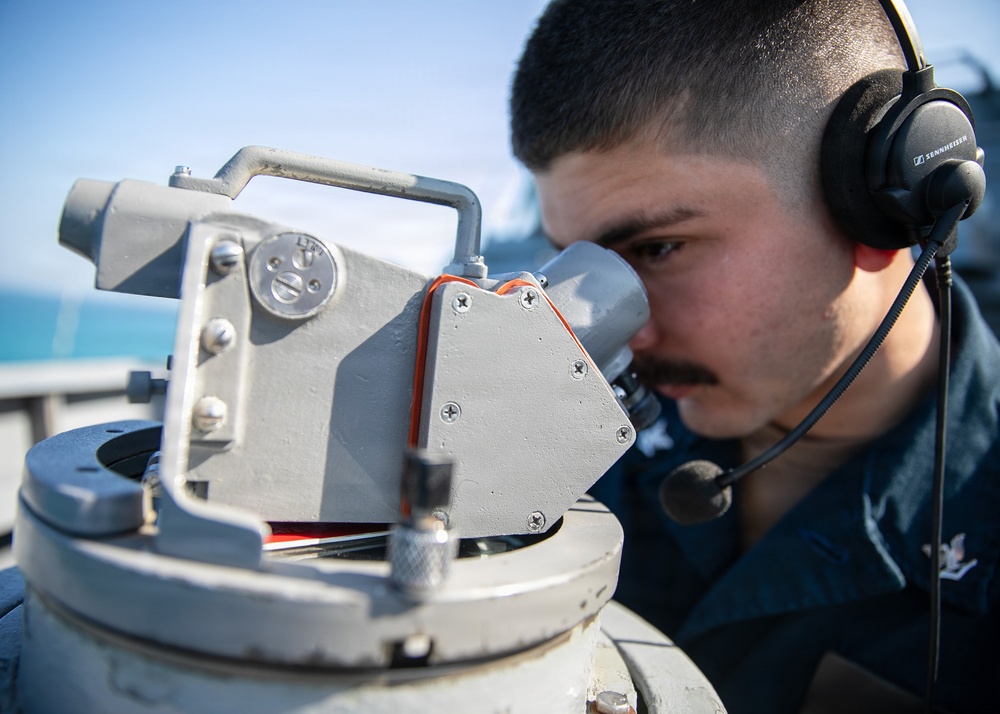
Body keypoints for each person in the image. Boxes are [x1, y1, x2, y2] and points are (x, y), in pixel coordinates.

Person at [509, 1, 999, 712]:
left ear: (881, 205)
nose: (620, 334)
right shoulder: (571, 462)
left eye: (659, 250)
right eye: (578, 265)